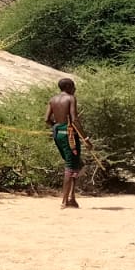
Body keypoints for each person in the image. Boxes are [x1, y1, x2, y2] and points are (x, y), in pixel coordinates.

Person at [45, 77, 89, 209]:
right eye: (74, 87)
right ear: (69, 87)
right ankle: (65, 201)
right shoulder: (70, 98)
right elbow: (74, 119)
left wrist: (56, 126)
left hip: (58, 134)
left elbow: (46, 119)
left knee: (77, 164)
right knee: (70, 166)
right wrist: (85, 139)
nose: (75, 89)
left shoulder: (53, 100)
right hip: (69, 136)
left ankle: (72, 198)